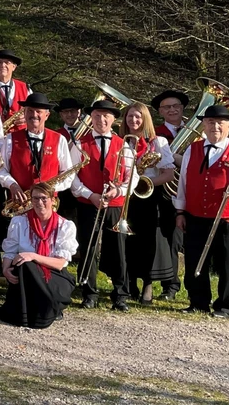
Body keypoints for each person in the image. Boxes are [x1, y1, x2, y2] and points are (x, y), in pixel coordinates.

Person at [173, 105, 229, 318]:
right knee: (195, 260)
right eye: (210, 122)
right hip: (195, 215)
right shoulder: (192, 149)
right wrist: (180, 212)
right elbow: (183, 182)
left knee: (227, 263)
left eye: (220, 123)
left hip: (227, 217)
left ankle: (225, 306)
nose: (215, 126)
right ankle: (198, 302)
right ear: (204, 125)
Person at [70, 99, 139, 311]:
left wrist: (118, 191)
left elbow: (133, 177)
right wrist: (90, 195)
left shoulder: (124, 145)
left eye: (106, 116)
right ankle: (89, 293)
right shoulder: (79, 144)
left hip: (115, 204)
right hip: (89, 203)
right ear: (91, 118)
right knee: (88, 247)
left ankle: (120, 295)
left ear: (113, 119)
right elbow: (72, 177)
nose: (101, 120)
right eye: (97, 116)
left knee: (118, 249)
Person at [117, 102, 178, 305]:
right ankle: (129, 283)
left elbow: (169, 174)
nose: (133, 120)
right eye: (130, 116)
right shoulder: (121, 142)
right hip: (126, 197)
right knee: (128, 242)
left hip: (149, 197)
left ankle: (147, 284)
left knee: (148, 242)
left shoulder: (158, 142)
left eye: (138, 116)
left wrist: (144, 182)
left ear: (145, 119)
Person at [0, 184, 80, 329]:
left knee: (27, 262)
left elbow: (59, 264)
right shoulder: (19, 222)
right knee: (25, 264)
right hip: (27, 274)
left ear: (53, 200)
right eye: (35, 198)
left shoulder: (65, 226)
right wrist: (5, 269)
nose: (39, 202)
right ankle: (31, 312)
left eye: (44, 198)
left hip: (54, 273)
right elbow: (10, 251)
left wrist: (33, 256)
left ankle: (50, 305)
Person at [0, 93, 77, 220]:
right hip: (20, 204)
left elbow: (68, 174)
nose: (34, 115)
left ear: (47, 115)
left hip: (49, 205)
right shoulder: (10, 139)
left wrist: (50, 189)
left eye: (38, 111)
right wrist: (12, 185)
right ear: (24, 113)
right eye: (30, 111)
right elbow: (0, 169)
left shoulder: (59, 139)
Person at [149, 89, 189, 300]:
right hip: (167, 193)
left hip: (194, 192)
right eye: (167, 107)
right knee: (170, 239)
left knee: (196, 241)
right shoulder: (155, 134)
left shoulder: (199, 131)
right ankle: (170, 286)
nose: (172, 110)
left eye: (176, 106)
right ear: (160, 112)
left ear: (182, 109)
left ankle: (196, 289)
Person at [0, 49, 29, 134]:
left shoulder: (25, 88)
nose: (3, 65)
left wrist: (27, 117)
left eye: (7, 62)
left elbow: (35, 111)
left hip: (18, 136)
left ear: (14, 67)